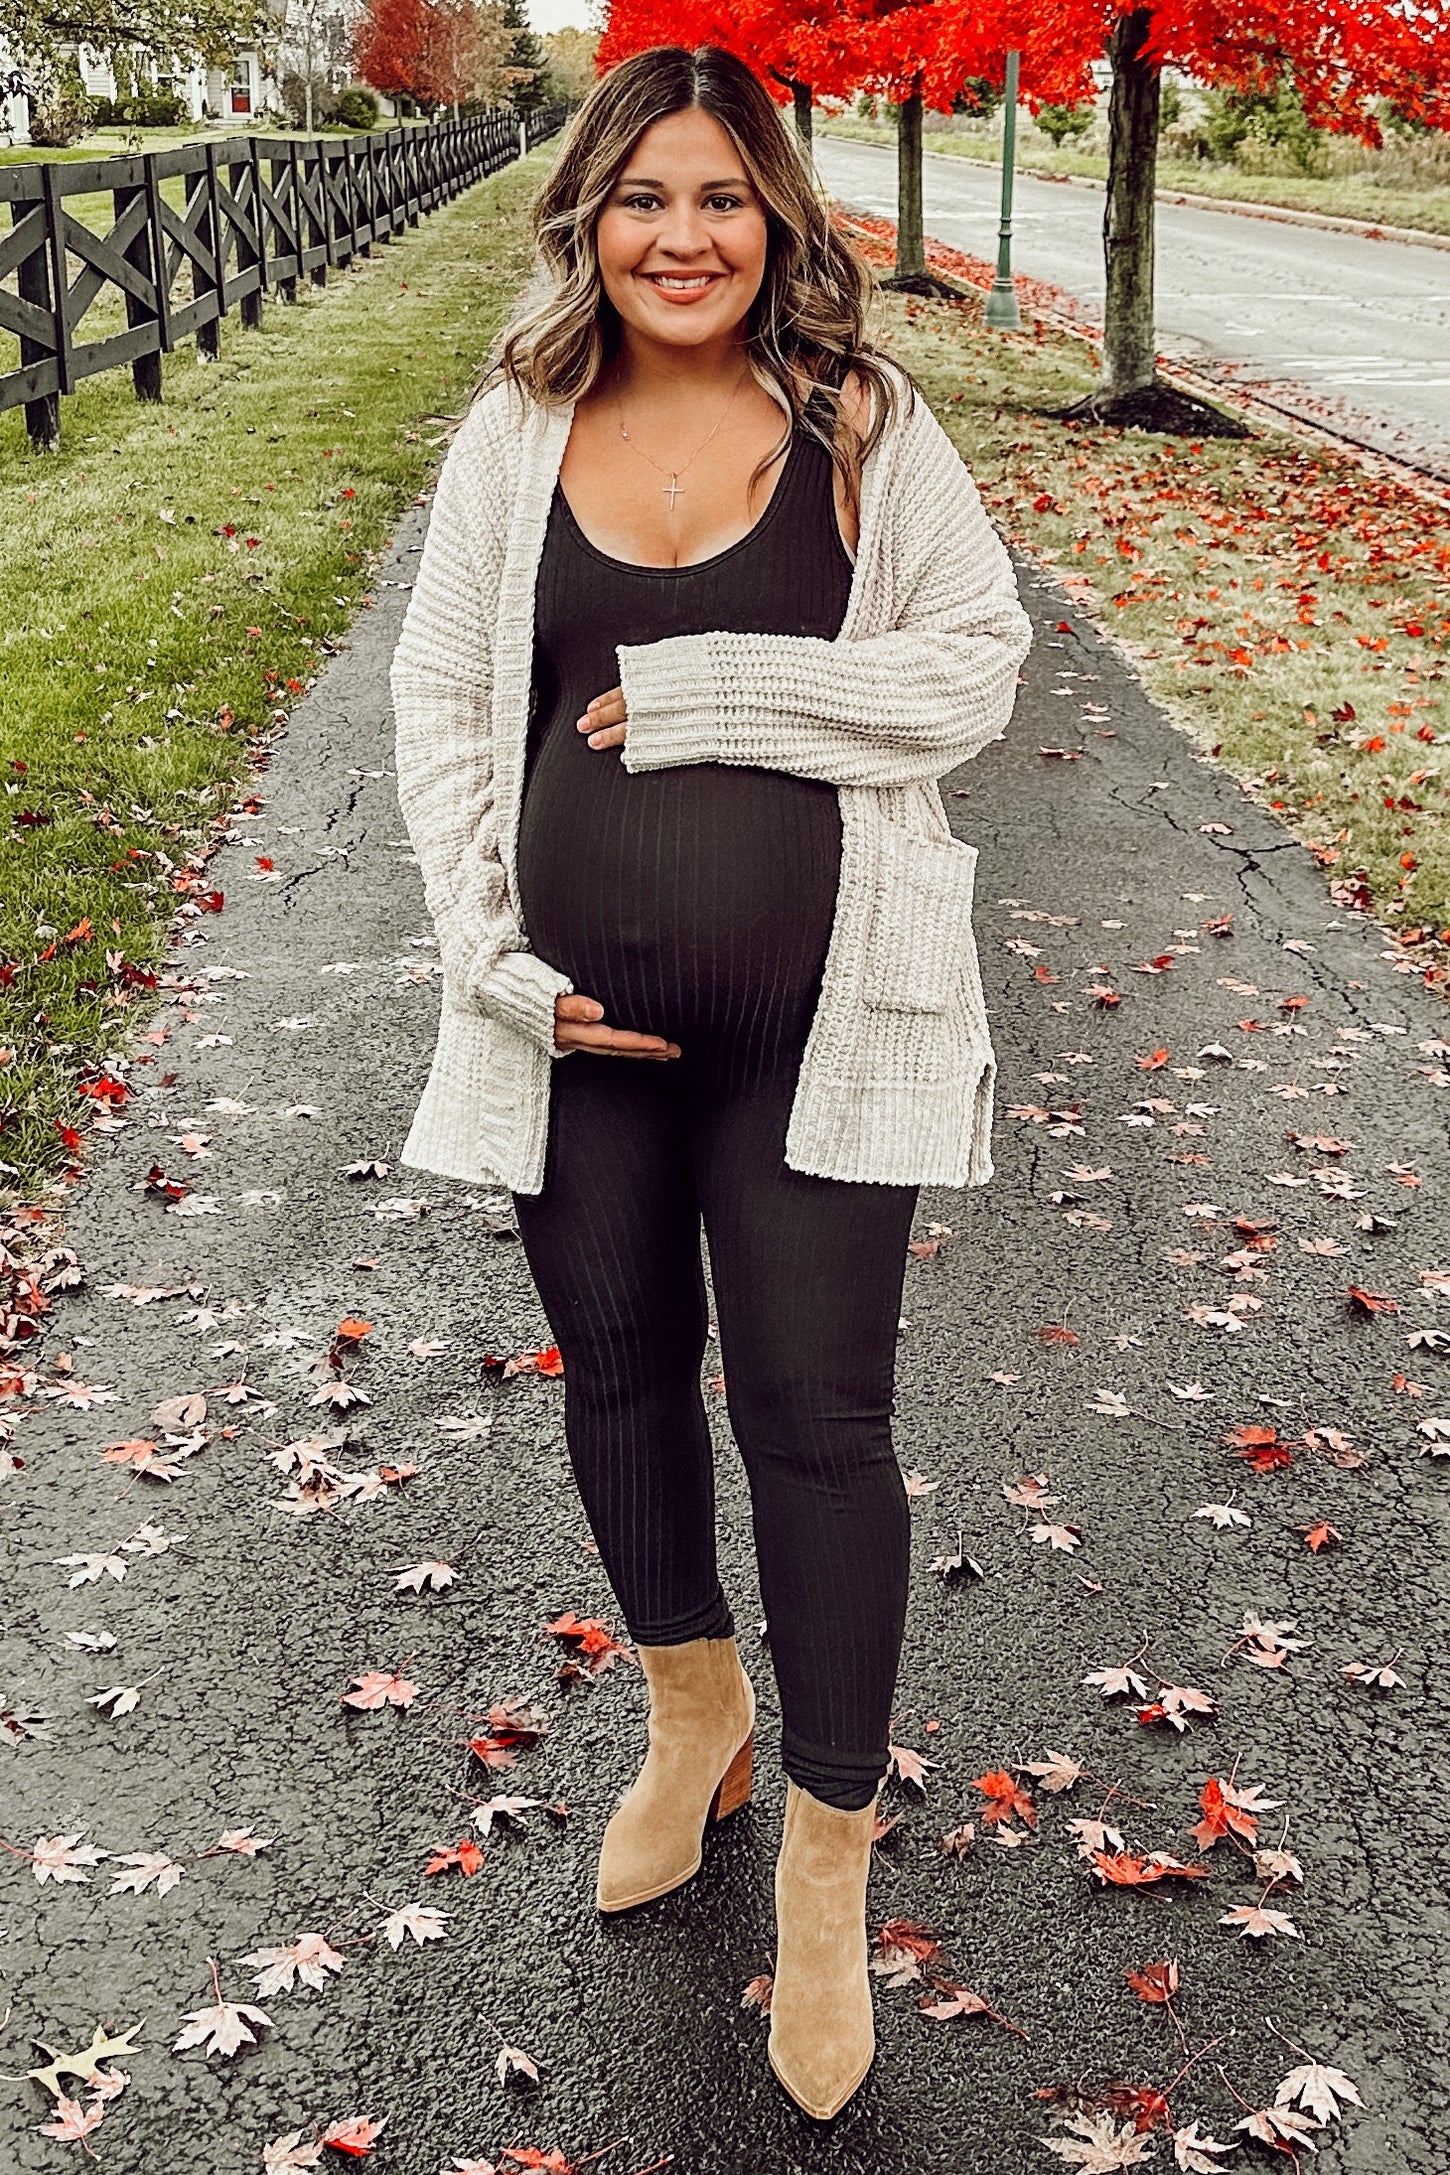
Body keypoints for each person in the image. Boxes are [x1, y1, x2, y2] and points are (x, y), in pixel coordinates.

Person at [389, 42, 1033, 2122]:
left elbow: (973, 662)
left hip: (819, 1021)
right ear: (589, 216)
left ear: (774, 215)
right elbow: (442, 701)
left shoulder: (861, 424)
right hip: (576, 1035)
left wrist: (708, 690)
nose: (681, 238)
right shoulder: (517, 426)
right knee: (618, 1375)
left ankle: (826, 1866)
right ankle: (694, 1716)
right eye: (642, 198)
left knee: (818, 1424)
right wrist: (493, 961)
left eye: (720, 198)